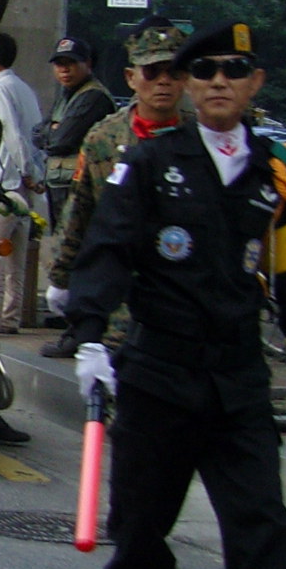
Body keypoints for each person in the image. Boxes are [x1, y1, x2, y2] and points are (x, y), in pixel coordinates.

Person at [66, 21, 286, 569]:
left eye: (232, 70)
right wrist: (91, 335)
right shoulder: (154, 161)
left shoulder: (274, 169)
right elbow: (110, 244)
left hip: (239, 374)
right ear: (188, 83)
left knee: (260, 516)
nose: (217, 81)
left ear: (254, 84)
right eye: (204, 70)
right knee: (143, 511)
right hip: (160, 367)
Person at [41, 20, 191, 359]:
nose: (164, 81)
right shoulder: (103, 139)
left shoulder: (201, 139)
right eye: (152, 72)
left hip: (183, 304)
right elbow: (79, 213)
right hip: (120, 303)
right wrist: (60, 276)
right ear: (131, 77)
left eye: (173, 71)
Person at [35, 36, 115, 321]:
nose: (64, 70)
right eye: (59, 64)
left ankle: (79, 320)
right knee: (63, 251)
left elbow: (61, 140)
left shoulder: (93, 97)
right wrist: (52, 131)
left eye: (71, 64)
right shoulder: (66, 96)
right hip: (60, 184)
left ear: (88, 64)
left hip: (78, 187)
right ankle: (68, 313)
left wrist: (53, 132)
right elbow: (40, 132)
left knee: (77, 252)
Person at [0, 30, 42, 333]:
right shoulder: (23, 88)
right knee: (16, 257)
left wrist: (25, 170)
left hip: (4, 181)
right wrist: (34, 176)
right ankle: (11, 316)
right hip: (24, 184)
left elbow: (10, 135)